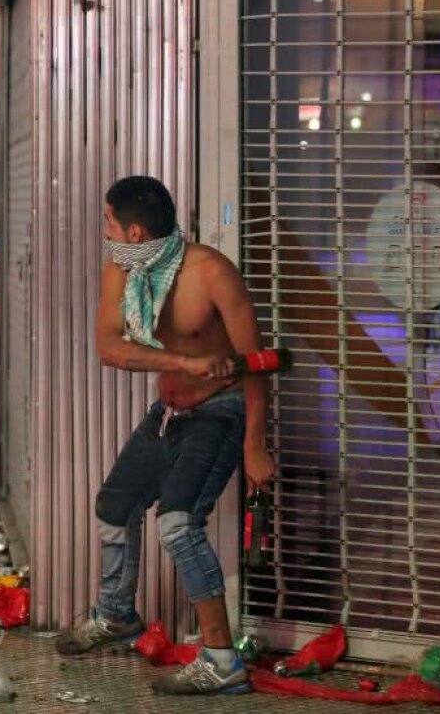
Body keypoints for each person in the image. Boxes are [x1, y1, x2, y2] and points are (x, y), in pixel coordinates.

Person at [54, 175, 276, 696]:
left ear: (133, 230)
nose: (103, 231)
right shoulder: (124, 270)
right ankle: (116, 615)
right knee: (114, 507)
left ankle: (221, 660)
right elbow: (110, 347)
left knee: (178, 524)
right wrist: (182, 360)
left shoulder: (212, 272)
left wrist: (254, 445)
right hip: (169, 410)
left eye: (108, 221)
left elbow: (256, 366)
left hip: (219, 410)